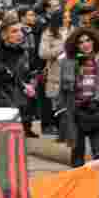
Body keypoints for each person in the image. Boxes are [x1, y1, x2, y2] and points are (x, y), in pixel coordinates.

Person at [57, 27, 99, 167]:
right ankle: (79, 185)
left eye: (88, 40)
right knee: (77, 153)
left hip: (98, 110)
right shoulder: (66, 61)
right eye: (81, 42)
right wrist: (61, 111)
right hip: (75, 111)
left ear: (94, 41)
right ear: (75, 45)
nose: (85, 44)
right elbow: (60, 89)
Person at [0, 21, 37, 137]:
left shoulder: (24, 53)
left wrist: (31, 84)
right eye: (14, 31)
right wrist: (6, 106)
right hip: (8, 117)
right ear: (4, 35)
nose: (20, 34)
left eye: (21, 30)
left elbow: (25, 76)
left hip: (24, 116)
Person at [40, 9, 69, 139]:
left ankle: (70, 134)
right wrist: (62, 46)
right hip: (56, 76)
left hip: (73, 74)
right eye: (66, 17)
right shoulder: (48, 34)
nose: (68, 19)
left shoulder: (74, 31)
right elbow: (43, 53)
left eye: (69, 17)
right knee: (59, 107)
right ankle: (62, 135)